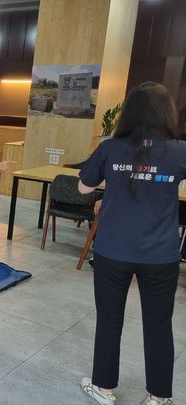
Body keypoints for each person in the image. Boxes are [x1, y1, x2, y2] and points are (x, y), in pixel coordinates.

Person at [77, 82, 186, 405]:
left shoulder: (110, 147)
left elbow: (84, 188)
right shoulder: (180, 150)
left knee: (109, 320)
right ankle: (159, 397)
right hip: (161, 254)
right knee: (158, 325)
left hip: (112, 250)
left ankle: (104, 389)